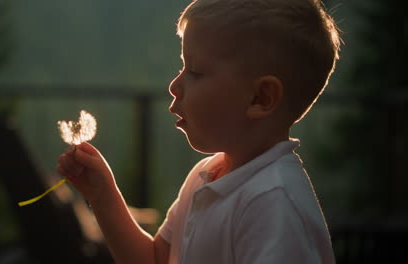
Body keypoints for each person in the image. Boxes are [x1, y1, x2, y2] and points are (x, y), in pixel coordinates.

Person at [56, 0, 341, 263]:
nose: (174, 85)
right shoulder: (205, 176)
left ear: (261, 98)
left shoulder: (274, 204)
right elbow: (155, 260)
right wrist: (104, 196)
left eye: (195, 71)